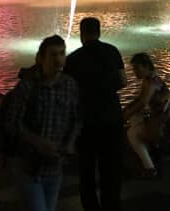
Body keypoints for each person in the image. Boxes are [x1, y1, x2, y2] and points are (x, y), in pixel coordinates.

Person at [4, 35, 80, 211]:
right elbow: (12, 124)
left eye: (62, 53)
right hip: (29, 168)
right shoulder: (27, 87)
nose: (59, 60)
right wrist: (38, 143)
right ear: (40, 58)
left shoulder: (70, 85)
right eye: (53, 55)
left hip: (55, 168)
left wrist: (70, 143)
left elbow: (77, 118)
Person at [64, 17, 125, 211]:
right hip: (112, 120)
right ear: (99, 32)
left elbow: (69, 91)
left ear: (82, 34)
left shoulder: (73, 59)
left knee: (87, 172)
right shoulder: (112, 51)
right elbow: (123, 81)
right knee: (111, 171)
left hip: (87, 122)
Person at [123, 52, 170, 177]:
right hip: (160, 119)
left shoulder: (151, 82)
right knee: (134, 120)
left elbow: (143, 102)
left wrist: (125, 115)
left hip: (165, 125)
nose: (134, 72)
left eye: (137, 68)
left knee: (132, 134)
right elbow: (140, 100)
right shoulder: (149, 79)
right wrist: (126, 110)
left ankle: (149, 168)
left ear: (146, 66)